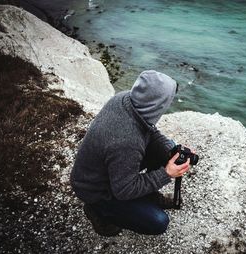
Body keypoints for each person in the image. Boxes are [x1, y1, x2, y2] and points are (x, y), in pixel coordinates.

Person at [70, 70, 191, 236]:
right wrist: (166, 174)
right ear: (157, 105)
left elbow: (148, 130)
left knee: (168, 149)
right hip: (97, 190)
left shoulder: (125, 98)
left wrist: (171, 150)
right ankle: (98, 211)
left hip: (107, 168)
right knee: (158, 222)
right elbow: (124, 190)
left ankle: (148, 196)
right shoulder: (127, 142)